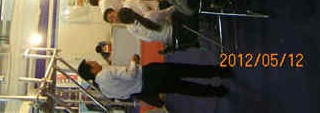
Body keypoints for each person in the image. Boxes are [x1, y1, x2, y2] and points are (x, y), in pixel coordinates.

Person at [78, 55, 230, 108]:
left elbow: (125, 96)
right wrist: (133, 61)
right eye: (91, 63)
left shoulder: (104, 90)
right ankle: (219, 72)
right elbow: (130, 75)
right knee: (186, 70)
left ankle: (216, 91)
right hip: (150, 74)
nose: (94, 62)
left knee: (185, 88)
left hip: (148, 88)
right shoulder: (105, 73)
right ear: (92, 69)